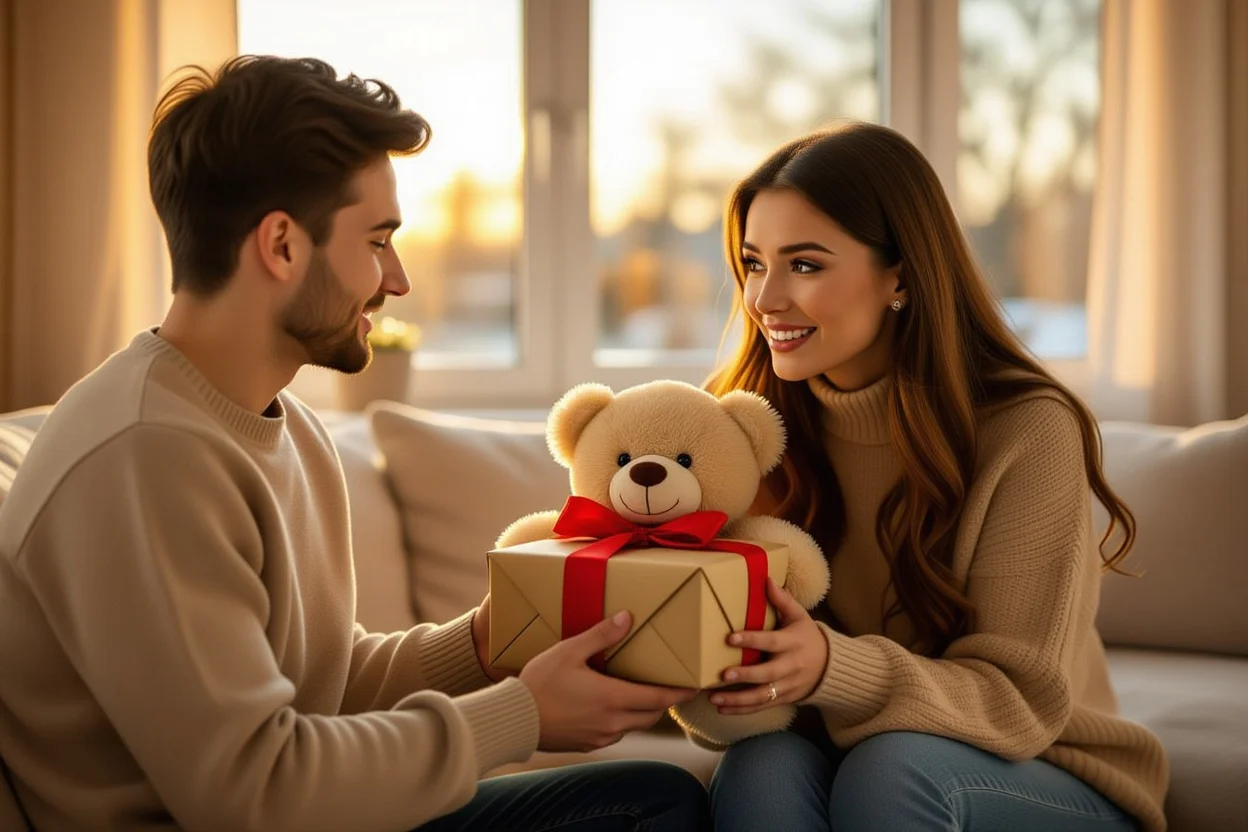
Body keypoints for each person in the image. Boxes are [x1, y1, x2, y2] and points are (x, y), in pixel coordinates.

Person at [0, 55, 710, 832]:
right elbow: (253, 790)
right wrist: (523, 715)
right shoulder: (143, 456)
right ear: (280, 246)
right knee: (643, 810)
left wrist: (488, 643)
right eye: (377, 240)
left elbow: (319, 685)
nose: (397, 279)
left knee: (655, 798)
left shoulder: (281, 424)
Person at [694, 123, 1169, 832]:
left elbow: (1021, 703)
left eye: (806, 265)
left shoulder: (1027, 430)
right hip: (849, 751)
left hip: (1047, 772)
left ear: (902, 275)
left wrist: (832, 666)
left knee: (893, 768)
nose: (764, 300)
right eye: (754, 263)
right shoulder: (749, 427)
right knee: (760, 767)